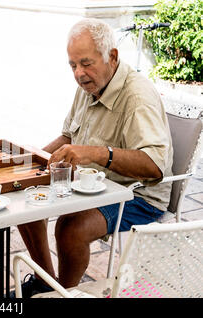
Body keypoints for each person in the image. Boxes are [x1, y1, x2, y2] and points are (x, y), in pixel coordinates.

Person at [14, 18, 173, 297]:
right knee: (25, 198)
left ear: (112, 56)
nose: (78, 73)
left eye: (86, 63)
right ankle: (46, 284)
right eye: (72, 65)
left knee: (71, 228)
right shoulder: (87, 86)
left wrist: (98, 154)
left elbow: (154, 167)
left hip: (139, 197)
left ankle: (66, 293)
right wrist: (33, 162)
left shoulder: (137, 96)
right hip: (96, 186)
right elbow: (67, 138)